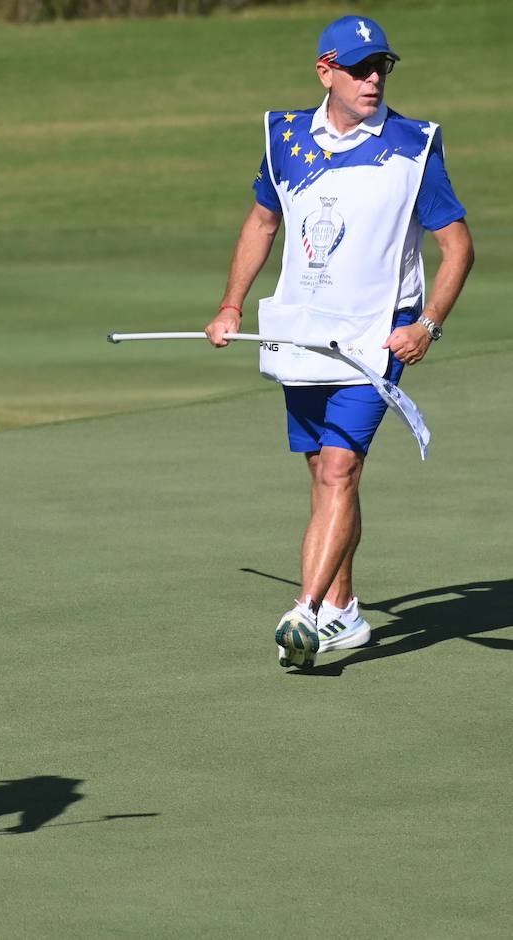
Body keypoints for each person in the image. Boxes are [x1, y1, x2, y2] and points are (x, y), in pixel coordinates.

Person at [204, 15, 474, 668]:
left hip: (374, 337)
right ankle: (344, 610)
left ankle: (306, 614)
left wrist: (428, 324)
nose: (373, 79)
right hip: (301, 333)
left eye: (381, 67)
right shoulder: (286, 139)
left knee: (339, 469)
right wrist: (231, 304)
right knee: (324, 476)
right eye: (359, 68)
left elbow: (458, 247)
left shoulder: (413, 146)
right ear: (326, 72)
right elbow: (262, 222)